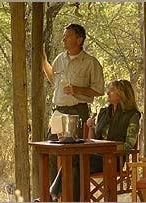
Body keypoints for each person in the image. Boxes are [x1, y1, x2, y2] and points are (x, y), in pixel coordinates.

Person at [41, 23, 104, 202]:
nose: (64, 39)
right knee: (51, 151)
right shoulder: (60, 58)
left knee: (75, 156)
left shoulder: (90, 62)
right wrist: (43, 61)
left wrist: (77, 89)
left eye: (67, 36)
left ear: (79, 39)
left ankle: (73, 198)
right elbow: (53, 79)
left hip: (78, 111)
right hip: (58, 112)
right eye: (64, 36)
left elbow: (98, 90)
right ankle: (53, 196)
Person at [49, 79, 141, 200]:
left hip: (113, 159)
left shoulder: (132, 115)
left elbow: (129, 144)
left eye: (112, 90)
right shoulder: (104, 112)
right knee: (76, 164)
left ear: (122, 93)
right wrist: (91, 127)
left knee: (77, 159)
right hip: (96, 156)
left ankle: (55, 191)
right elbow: (93, 140)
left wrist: (108, 148)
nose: (108, 92)